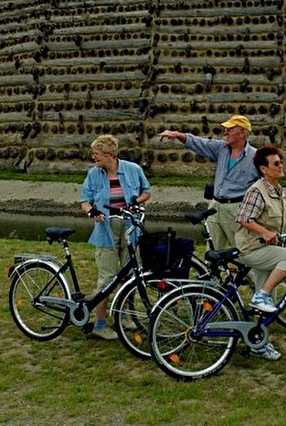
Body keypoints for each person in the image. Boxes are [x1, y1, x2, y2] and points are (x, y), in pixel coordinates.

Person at [80, 134, 151, 340]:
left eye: (96, 154)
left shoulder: (133, 170)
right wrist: (91, 211)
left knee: (130, 276)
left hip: (130, 227)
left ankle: (126, 317)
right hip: (106, 228)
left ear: (109, 154)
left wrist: (136, 201)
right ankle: (100, 324)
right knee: (107, 278)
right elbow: (85, 200)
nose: (93, 158)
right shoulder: (94, 174)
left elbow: (146, 191)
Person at [235, 146, 286, 361]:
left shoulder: (277, 190)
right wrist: (264, 233)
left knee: (266, 301)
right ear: (264, 169)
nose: (281, 165)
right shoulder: (257, 190)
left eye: (281, 161)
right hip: (253, 248)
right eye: (276, 163)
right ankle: (260, 295)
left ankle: (257, 343)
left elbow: (274, 215)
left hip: (266, 249)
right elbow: (244, 219)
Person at [158, 115, 258, 250]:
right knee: (211, 249)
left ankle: (242, 271)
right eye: (225, 129)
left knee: (242, 250)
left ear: (242, 133)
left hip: (237, 209)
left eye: (230, 129)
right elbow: (198, 143)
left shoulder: (256, 157)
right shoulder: (221, 148)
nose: (225, 132)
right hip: (215, 206)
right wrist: (176, 135)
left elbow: (266, 184)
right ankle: (212, 269)